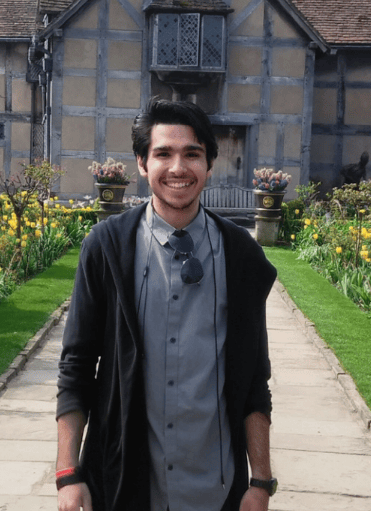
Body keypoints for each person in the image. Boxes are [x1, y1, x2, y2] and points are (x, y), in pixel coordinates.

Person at [56, 98, 278, 511]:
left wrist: (260, 482)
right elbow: (77, 367)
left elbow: (253, 379)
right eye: (163, 154)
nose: (178, 168)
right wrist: (68, 475)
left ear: (209, 165)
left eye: (192, 154)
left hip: (215, 489)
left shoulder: (241, 257)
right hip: (122, 483)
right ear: (142, 163)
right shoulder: (106, 248)